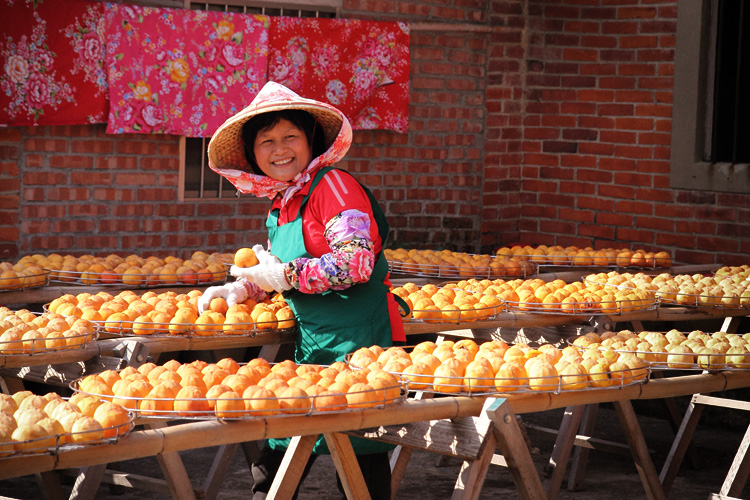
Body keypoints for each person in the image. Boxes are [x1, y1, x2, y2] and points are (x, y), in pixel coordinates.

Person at [198, 81, 406, 500]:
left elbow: (356, 263)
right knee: (284, 447)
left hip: (358, 339)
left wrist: (283, 276)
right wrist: (243, 289)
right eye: (266, 141)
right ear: (253, 154)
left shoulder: (333, 187)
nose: (280, 149)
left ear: (310, 140)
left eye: (290, 136)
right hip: (311, 342)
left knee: (359, 452)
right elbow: (281, 272)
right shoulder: (282, 202)